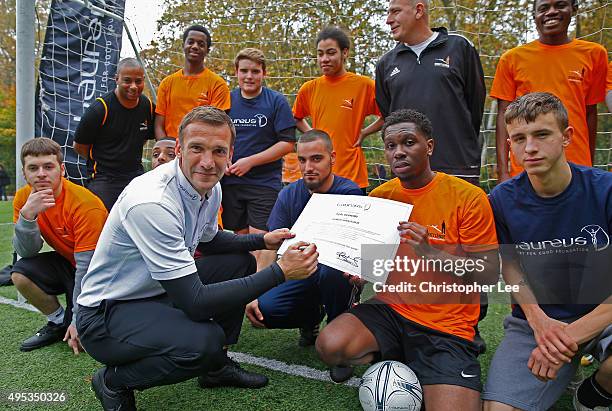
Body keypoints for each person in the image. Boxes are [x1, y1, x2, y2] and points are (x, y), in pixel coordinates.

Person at [76, 106, 318, 411]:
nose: (207, 162)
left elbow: (212, 239)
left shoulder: (210, 185)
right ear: (178, 149)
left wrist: (261, 240)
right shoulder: (152, 202)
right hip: (107, 314)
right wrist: (280, 271)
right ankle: (113, 382)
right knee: (204, 342)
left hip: (156, 292)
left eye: (218, 151)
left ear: (231, 153)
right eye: (197, 148)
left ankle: (216, 368)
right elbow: (196, 301)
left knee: (239, 261)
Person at [316, 109, 499, 410]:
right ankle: (399, 355)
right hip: (391, 308)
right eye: (391, 145)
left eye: (409, 142)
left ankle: (438, 355)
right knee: (330, 345)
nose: (399, 151)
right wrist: (361, 271)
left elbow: (489, 273)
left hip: (446, 322)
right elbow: (377, 257)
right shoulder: (380, 197)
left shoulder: (467, 197)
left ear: (429, 146)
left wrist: (430, 252)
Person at [482, 92, 611, 411]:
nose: (530, 148)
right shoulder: (502, 200)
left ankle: (596, 393)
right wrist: (539, 321)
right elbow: (510, 267)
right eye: (518, 138)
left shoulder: (605, 190)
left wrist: (565, 339)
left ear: (566, 137)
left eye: (541, 134)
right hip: (541, 320)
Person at [245, 129, 362, 382]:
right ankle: (311, 318)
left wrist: (360, 275)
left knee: (332, 272)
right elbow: (271, 246)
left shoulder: (350, 193)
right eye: (302, 160)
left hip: (336, 273)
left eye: (316, 159)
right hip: (301, 272)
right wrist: (254, 291)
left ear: (332, 158)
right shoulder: (288, 194)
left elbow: (358, 249)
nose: (308, 166)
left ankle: (340, 342)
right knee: (266, 309)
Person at [491, 0, 608, 182]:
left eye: (560, 5)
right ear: (535, 16)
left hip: (576, 165)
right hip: (527, 166)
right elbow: (503, 115)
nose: (551, 12)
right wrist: (503, 172)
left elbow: (590, 112)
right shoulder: (512, 59)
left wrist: (588, 164)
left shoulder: (594, 54)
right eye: (544, 8)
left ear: (574, 9)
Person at [11, 137, 107, 353]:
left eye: (48, 166)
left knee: (90, 336)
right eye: (33, 168)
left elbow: (88, 267)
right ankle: (57, 322)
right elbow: (27, 251)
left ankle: (79, 319)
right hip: (70, 263)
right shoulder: (23, 199)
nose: (41, 173)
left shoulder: (85, 205)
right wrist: (28, 216)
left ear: (61, 169)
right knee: (19, 273)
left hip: (102, 272)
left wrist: (79, 320)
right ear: (25, 173)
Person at [376, 0, 486, 187]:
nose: (388, 20)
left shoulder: (460, 47)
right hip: (409, 175)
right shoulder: (385, 64)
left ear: (419, 10)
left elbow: (474, 107)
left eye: (395, 12)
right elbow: (390, 117)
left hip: (458, 168)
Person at [223, 48, 296, 270]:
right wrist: (224, 159)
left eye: (255, 71)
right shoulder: (227, 101)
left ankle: (257, 294)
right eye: (244, 71)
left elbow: (287, 143)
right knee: (239, 241)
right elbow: (219, 136)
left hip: (262, 183)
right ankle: (242, 291)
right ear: (236, 72)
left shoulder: (276, 102)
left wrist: (251, 161)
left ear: (263, 73)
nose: (249, 76)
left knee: (260, 241)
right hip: (231, 182)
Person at [292, 26, 383, 192]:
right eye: (320, 54)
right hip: (320, 177)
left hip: (352, 176)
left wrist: (364, 133)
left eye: (331, 53)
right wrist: (312, 133)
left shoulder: (364, 85)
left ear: (345, 53)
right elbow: (296, 117)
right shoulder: (309, 88)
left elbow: (388, 115)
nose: (324, 59)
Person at [73, 58, 155, 211]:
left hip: (135, 175)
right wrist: (106, 159)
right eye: (127, 81)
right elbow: (79, 146)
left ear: (143, 80)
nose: (133, 86)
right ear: (116, 79)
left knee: (144, 215)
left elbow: (144, 138)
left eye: (138, 81)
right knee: (100, 218)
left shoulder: (147, 106)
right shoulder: (99, 109)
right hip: (104, 178)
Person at [154, 24, 230, 140]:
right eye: (191, 42)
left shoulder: (218, 84)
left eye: (201, 44)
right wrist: (168, 149)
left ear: (207, 50)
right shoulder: (167, 83)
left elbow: (218, 127)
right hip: (171, 149)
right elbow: (159, 125)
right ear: (183, 45)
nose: (195, 47)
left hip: (201, 150)